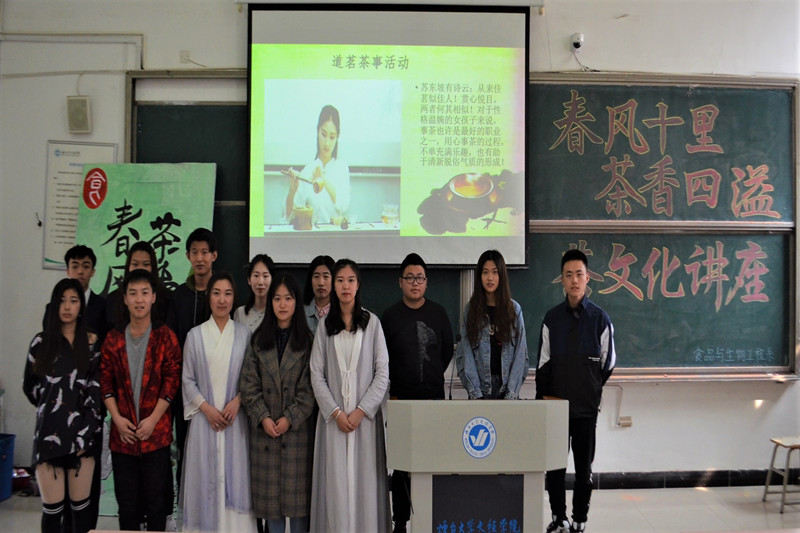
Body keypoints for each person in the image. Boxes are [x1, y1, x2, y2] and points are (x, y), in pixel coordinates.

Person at [309, 259, 391, 532]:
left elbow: (382, 373)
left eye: (351, 280)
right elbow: (316, 374)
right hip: (334, 422)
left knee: (364, 486)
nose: (345, 286)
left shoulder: (373, 324)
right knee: (335, 487)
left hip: (363, 422)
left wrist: (360, 411)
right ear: (334, 285)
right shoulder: (324, 326)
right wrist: (335, 412)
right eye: (340, 280)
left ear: (358, 285)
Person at [537, 249, 616, 533]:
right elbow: (543, 363)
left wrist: (590, 387)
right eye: (568, 275)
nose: (574, 280)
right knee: (555, 469)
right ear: (561, 279)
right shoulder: (552, 319)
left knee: (584, 470)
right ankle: (559, 517)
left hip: (585, 410)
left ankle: (579, 519)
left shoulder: (600, 319)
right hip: (556, 408)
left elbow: (608, 363)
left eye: (579, 274)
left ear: (587, 277)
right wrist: (544, 401)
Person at [100, 269, 181, 531]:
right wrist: (117, 419)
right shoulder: (113, 339)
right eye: (133, 293)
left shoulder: (165, 337)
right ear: (124, 298)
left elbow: (172, 380)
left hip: (155, 436)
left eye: (145, 293)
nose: (139, 299)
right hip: (123, 438)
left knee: (157, 506)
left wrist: (153, 420)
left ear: (154, 297)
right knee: (127, 508)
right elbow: (105, 382)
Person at [381, 253, 453, 533]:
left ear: (426, 282)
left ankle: (430, 519)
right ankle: (400, 522)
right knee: (402, 467)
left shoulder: (439, 313)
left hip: (433, 401)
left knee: (433, 462)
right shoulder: (389, 317)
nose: (415, 283)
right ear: (400, 282)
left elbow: (446, 352)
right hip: (402, 401)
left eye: (419, 278)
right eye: (409, 278)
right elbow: (382, 360)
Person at [23, 278, 103, 533]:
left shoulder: (91, 344)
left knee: (80, 513)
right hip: (48, 438)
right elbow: (31, 387)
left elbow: (96, 394)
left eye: (74, 300)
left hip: (82, 439)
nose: (67, 307)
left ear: (81, 306)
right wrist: (52, 410)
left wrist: (84, 436)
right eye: (62, 301)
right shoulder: (40, 343)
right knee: (52, 512)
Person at [240, 273, 316, 533]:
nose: (282, 304)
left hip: (297, 438)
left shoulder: (308, 342)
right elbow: (248, 386)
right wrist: (263, 416)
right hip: (266, 436)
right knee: (272, 516)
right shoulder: (258, 340)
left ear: (297, 303)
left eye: (288, 298)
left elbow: (310, 390)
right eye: (277, 299)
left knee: (299, 515)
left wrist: (289, 418)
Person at [181, 272, 256, 532]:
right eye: (216, 293)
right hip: (205, 422)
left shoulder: (245, 334)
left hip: (236, 420)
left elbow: (252, 376)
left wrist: (238, 401)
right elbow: (187, 380)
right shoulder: (194, 336)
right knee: (205, 480)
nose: (222, 300)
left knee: (236, 478)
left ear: (234, 298)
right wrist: (207, 409)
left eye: (227, 294)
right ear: (209, 297)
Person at [41, 244, 108, 532]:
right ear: (67, 269)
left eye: (85, 266)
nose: (80, 271)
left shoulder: (103, 306)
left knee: (85, 490)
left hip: (89, 413)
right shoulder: (51, 309)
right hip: (56, 419)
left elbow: (103, 360)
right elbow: (37, 378)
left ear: (93, 271)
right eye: (75, 265)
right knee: (55, 498)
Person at [167, 227, 218, 498]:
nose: (200, 258)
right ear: (187, 256)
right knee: (185, 446)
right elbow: (172, 343)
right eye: (195, 252)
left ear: (214, 256)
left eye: (205, 252)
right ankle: (185, 504)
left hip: (217, 388)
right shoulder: (178, 296)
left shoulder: (222, 294)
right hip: (183, 389)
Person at [456, 250, 528, 400]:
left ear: (501, 275)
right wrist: (476, 394)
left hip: (507, 392)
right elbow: (465, 354)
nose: (490, 278)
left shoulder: (514, 310)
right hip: (479, 393)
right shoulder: (470, 310)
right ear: (479, 276)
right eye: (485, 272)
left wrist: (511, 394)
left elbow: (521, 355)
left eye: (495, 272)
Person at [284, 105, 351, 226]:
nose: (327, 143)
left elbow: (343, 205)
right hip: (312, 235)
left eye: (332, 137)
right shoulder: (308, 170)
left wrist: (323, 179)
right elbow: (289, 217)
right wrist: (292, 191)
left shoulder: (342, 169)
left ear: (337, 137)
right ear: (317, 131)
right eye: (323, 134)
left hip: (335, 235)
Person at [106, 241, 170, 330]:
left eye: (146, 264)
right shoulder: (113, 299)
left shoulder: (167, 298)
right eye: (135, 264)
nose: (140, 268)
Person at [234, 254, 276, 333]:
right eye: (256, 275)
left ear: (272, 280)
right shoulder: (240, 313)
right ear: (249, 280)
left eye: (265, 276)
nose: (260, 282)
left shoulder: (278, 312)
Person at [303, 254, 335, 332]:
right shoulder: (301, 312)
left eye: (326, 277)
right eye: (316, 277)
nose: (321, 283)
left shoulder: (342, 312)